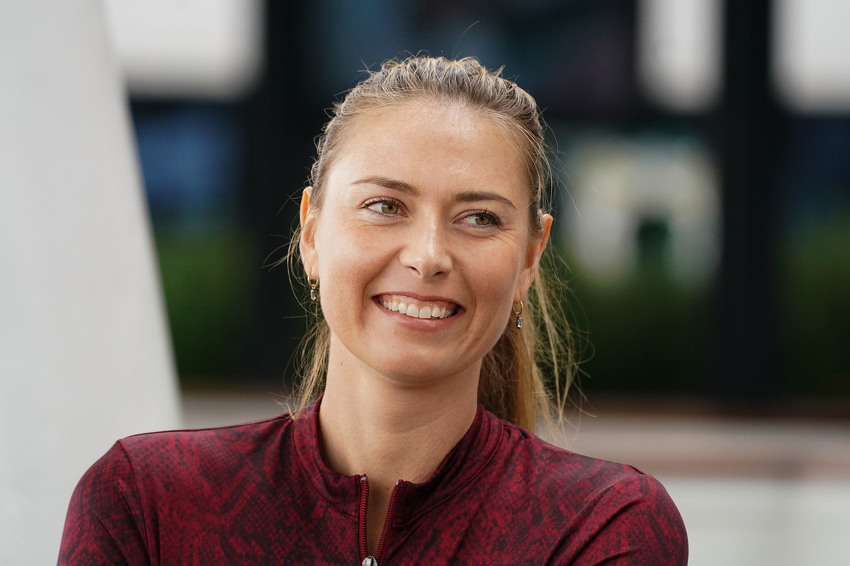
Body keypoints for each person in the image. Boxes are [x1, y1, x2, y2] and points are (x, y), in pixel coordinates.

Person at [59, 56, 688, 565]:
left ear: (529, 258)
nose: (429, 256)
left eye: (479, 218)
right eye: (385, 206)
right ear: (311, 233)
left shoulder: (603, 527)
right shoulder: (145, 500)